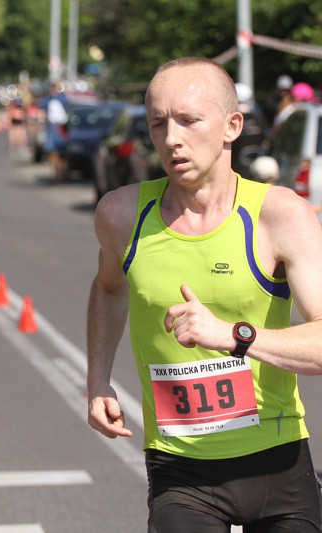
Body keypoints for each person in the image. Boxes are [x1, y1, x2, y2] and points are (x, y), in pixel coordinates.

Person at [87, 57, 322, 531]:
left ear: (231, 126)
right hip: (181, 469)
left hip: (277, 465)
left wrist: (232, 335)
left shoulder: (278, 215)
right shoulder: (120, 214)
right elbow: (108, 288)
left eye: (189, 121)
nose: (171, 138)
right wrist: (97, 381)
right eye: (158, 123)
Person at [45, 83, 69, 181]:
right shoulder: (58, 99)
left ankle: (60, 175)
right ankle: (58, 175)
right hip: (58, 128)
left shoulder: (54, 99)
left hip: (59, 128)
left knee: (60, 154)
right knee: (56, 154)